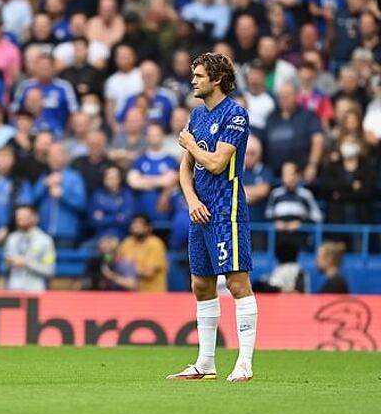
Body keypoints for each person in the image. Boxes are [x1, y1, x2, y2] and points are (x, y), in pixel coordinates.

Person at [169, 53, 257, 382]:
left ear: (217, 79)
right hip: (200, 211)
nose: (193, 81)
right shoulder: (196, 114)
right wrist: (191, 200)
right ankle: (205, 362)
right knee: (201, 284)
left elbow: (218, 163)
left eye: (199, 75)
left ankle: (245, 363)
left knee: (236, 282)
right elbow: (185, 168)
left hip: (226, 209)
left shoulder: (235, 114)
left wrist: (190, 143)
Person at [3, 204, 56, 292]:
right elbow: (6, 264)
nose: (20, 218)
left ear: (35, 217)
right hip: (13, 289)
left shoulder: (45, 241)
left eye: (24, 215)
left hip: (35, 290)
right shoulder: (12, 239)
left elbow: (49, 270)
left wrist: (28, 263)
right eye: (18, 216)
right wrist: (8, 262)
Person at [110, 214, 168, 292]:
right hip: (130, 294)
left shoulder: (155, 244)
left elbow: (149, 273)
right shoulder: (127, 243)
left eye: (140, 224)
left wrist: (128, 270)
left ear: (148, 228)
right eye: (134, 224)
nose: (136, 227)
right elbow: (117, 262)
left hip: (152, 294)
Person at [266, 162, 323, 231]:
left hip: (299, 233)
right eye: (284, 174)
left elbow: (317, 216)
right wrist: (275, 222)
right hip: (279, 233)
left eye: (290, 174)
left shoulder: (306, 194)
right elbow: (268, 214)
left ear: (297, 176)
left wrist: (301, 224)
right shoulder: (275, 194)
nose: (287, 178)